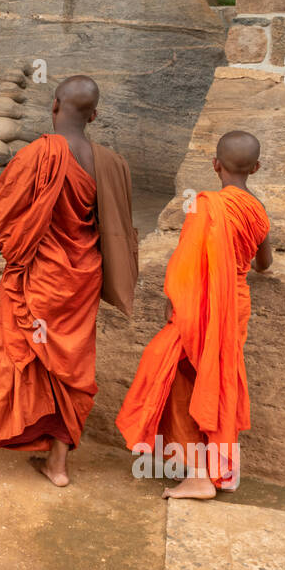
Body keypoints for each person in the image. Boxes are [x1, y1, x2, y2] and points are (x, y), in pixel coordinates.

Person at [0, 76, 137, 491]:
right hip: (81, 282)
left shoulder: (38, 155)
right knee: (71, 367)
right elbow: (120, 232)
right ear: (94, 115)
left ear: (54, 106)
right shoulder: (111, 162)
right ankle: (57, 463)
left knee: (10, 362)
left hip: (37, 280)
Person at [116, 131, 272, 499]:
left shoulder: (206, 206)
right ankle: (222, 470)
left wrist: (178, 299)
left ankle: (202, 476)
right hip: (233, 304)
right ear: (257, 168)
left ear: (215, 165)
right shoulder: (258, 211)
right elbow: (264, 264)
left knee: (180, 373)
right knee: (216, 380)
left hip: (199, 308)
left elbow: (186, 262)